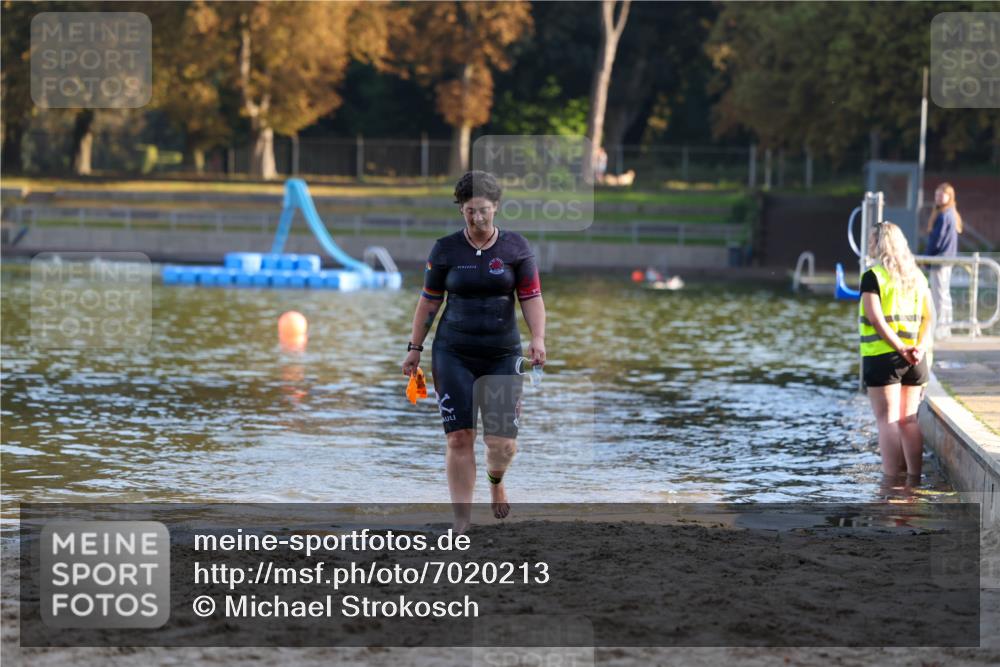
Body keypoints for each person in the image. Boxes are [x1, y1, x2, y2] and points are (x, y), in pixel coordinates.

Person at [402, 170, 546, 533]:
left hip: (502, 353)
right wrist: (414, 348)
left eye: (483, 210)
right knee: (459, 437)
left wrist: (538, 339)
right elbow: (428, 303)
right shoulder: (445, 249)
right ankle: (461, 520)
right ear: (460, 210)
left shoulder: (516, 248)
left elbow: (531, 297)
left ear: (496, 207)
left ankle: (496, 482)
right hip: (453, 352)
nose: (478, 218)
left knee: (502, 443)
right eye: (469, 211)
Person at [859, 221, 932, 482]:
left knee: (887, 420)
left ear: (880, 244)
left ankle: (891, 486)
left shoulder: (873, 276)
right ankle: (914, 479)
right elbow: (928, 318)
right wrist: (918, 348)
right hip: (915, 359)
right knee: (908, 421)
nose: (869, 245)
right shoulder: (917, 276)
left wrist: (900, 348)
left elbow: (877, 320)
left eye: (871, 240)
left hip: (884, 357)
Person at [925, 182, 963, 338]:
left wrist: (926, 258)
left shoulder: (944, 215)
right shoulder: (951, 214)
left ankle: (941, 329)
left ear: (950, 196)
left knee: (939, 295)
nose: (938, 198)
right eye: (936, 195)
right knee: (943, 294)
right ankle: (945, 327)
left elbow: (937, 240)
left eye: (942, 195)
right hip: (946, 260)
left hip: (940, 261)